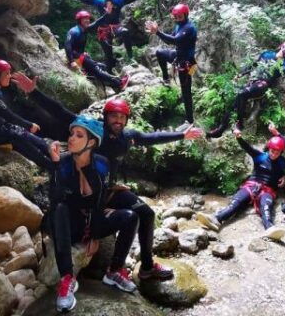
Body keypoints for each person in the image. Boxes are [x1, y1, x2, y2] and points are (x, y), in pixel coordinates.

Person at [10, 74, 204, 281]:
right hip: (85, 194)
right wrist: (33, 92)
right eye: (114, 116)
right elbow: (61, 113)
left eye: (122, 117)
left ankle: (146, 267)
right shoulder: (93, 133)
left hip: (109, 191)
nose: (118, 120)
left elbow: (152, 138)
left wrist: (181, 135)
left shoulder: (127, 138)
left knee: (146, 213)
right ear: (106, 117)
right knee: (120, 214)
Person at [48, 116, 139, 312]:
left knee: (131, 217)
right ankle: (66, 280)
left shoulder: (101, 164)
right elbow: (54, 198)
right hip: (69, 224)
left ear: (91, 142)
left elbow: (99, 200)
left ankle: (114, 271)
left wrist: (95, 235)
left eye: (78, 135)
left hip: (90, 218)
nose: (71, 138)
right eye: (71, 133)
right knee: (60, 208)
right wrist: (54, 166)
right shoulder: (62, 163)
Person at [207, 41, 285, 138]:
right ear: (282, 48)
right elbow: (253, 64)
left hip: (263, 85)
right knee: (234, 103)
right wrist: (241, 74)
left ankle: (239, 124)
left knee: (241, 94)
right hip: (252, 81)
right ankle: (220, 129)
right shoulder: (267, 54)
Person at [195, 128, 285, 241]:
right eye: (272, 151)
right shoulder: (260, 156)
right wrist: (239, 137)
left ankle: (270, 229)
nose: (274, 154)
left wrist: (284, 177)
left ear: (281, 152)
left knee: (266, 207)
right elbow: (247, 147)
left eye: (277, 152)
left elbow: (281, 171)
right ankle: (216, 219)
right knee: (236, 202)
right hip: (252, 185)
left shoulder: (283, 161)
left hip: (268, 190)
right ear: (269, 148)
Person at [0, 59, 54, 171]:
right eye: (7, 73)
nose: (9, 76)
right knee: (22, 139)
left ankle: (53, 155)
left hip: (2, 127)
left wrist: (26, 127)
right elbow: (8, 115)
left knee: (32, 138)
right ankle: (51, 166)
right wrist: (29, 125)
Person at [64, 0, 153, 70]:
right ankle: (111, 75)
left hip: (115, 27)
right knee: (108, 57)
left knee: (125, 32)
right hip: (103, 31)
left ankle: (130, 57)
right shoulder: (98, 0)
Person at [145, 3, 198, 128]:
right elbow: (171, 39)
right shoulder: (179, 26)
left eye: (180, 17)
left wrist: (158, 32)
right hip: (178, 56)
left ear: (185, 15)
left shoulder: (189, 28)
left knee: (186, 92)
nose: (178, 19)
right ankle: (166, 78)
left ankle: (190, 121)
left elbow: (174, 40)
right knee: (159, 52)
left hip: (188, 64)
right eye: (176, 17)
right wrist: (157, 32)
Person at [65, 9, 130, 92]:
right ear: (79, 20)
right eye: (85, 18)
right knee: (97, 69)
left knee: (102, 66)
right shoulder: (74, 31)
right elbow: (68, 46)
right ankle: (120, 83)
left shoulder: (84, 30)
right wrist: (71, 61)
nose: (87, 20)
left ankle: (114, 85)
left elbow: (97, 23)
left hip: (80, 56)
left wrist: (107, 14)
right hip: (76, 58)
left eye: (88, 18)